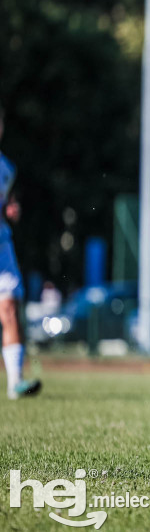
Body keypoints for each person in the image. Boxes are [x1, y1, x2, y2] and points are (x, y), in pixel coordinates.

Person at [0, 107, 42, 400]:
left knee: (11, 305)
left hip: (2, 242)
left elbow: (6, 206)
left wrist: (9, 211)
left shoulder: (6, 168)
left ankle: (15, 381)